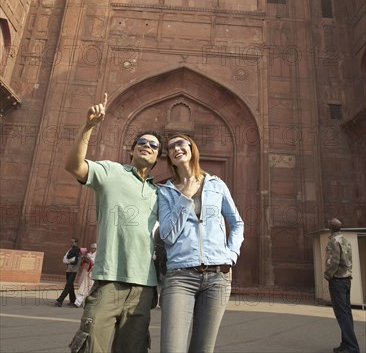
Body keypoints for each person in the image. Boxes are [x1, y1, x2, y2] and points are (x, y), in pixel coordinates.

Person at [66, 93, 163, 353]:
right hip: (109, 279)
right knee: (90, 345)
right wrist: (88, 127)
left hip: (144, 287)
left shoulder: (160, 193)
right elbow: (74, 166)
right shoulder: (111, 172)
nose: (147, 146)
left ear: (157, 158)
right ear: (131, 150)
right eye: (141, 143)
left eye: (153, 146)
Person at [158, 134, 244, 353]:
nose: (176, 148)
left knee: (203, 349)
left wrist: (231, 256)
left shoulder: (217, 185)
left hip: (218, 277)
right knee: (172, 348)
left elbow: (237, 223)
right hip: (180, 276)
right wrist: (185, 196)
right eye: (170, 147)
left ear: (191, 148)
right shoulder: (165, 191)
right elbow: (167, 235)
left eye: (180, 143)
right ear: (169, 157)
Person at [324, 218, 360, 353]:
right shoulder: (345, 240)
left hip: (337, 280)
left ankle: (352, 347)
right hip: (346, 279)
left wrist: (328, 275)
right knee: (346, 313)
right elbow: (349, 259)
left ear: (330, 228)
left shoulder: (333, 241)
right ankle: (346, 344)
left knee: (342, 314)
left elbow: (333, 261)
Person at [54, 238, 81, 307]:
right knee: (70, 286)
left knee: (68, 285)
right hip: (69, 270)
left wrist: (68, 260)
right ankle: (73, 300)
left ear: (76, 242)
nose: (71, 243)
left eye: (72, 242)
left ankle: (60, 300)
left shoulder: (76, 250)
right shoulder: (71, 249)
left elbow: (73, 260)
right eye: (71, 242)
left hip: (73, 271)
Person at [72, 244, 97, 308]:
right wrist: (84, 258)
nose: (92, 249)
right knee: (82, 286)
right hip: (85, 272)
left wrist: (89, 260)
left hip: (91, 273)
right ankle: (78, 302)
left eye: (93, 248)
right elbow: (83, 263)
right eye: (91, 248)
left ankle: (80, 302)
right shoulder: (88, 254)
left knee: (88, 288)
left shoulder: (97, 255)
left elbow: (93, 263)